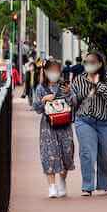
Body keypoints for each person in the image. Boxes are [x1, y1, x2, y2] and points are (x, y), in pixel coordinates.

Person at [69, 51, 107, 196]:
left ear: (99, 64)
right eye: (86, 62)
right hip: (85, 120)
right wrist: (68, 94)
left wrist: (98, 85)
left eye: (92, 62)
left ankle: (104, 184)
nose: (88, 65)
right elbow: (73, 99)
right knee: (86, 152)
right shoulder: (79, 80)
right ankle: (87, 186)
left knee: (105, 155)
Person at [33, 59, 75, 198]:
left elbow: (74, 102)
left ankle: (62, 181)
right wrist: (44, 99)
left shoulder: (65, 86)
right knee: (49, 154)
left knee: (66, 154)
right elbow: (37, 109)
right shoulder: (40, 88)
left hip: (64, 125)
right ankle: (51, 186)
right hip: (48, 126)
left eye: (56, 71)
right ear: (45, 72)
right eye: (51, 71)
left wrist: (68, 93)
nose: (54, 73)